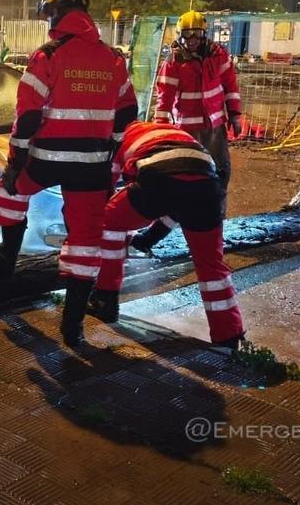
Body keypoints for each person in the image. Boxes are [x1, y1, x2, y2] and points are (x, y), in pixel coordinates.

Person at [0, 0, 136, 347]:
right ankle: (73, 326)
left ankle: (6, 256)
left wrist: (15, 162)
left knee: (10, 189)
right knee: (85, 239)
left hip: (46, 160)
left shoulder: (47, 56)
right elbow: (127, 114)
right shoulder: (114, 59)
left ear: (56, 10)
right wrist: (110, 161)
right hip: (92, 167)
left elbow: (27, 118)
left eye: (48, 11)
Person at [87, 120, 245, 351]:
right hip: (208, 188)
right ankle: (228, 336)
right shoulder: (168, 133)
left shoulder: (117, 140)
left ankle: (105, 299)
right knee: (211, 264)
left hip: (159, 178)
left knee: (108, 222)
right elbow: (180, 200)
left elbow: (108, 191)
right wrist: (150, 238)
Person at [132, 10, 243, 255]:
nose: (191, 39)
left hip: (214, 129)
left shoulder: (218, 56)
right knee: (185, 183)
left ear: (204, 34)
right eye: (187, 35)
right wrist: (160, 129)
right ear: (179, 35)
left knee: (219, 177)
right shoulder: (174, 62)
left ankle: (215, 230)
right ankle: (155, 235)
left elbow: (230, 86)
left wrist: (235, 114)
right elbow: (164, 98)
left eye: (196, 34)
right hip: (186, 132)